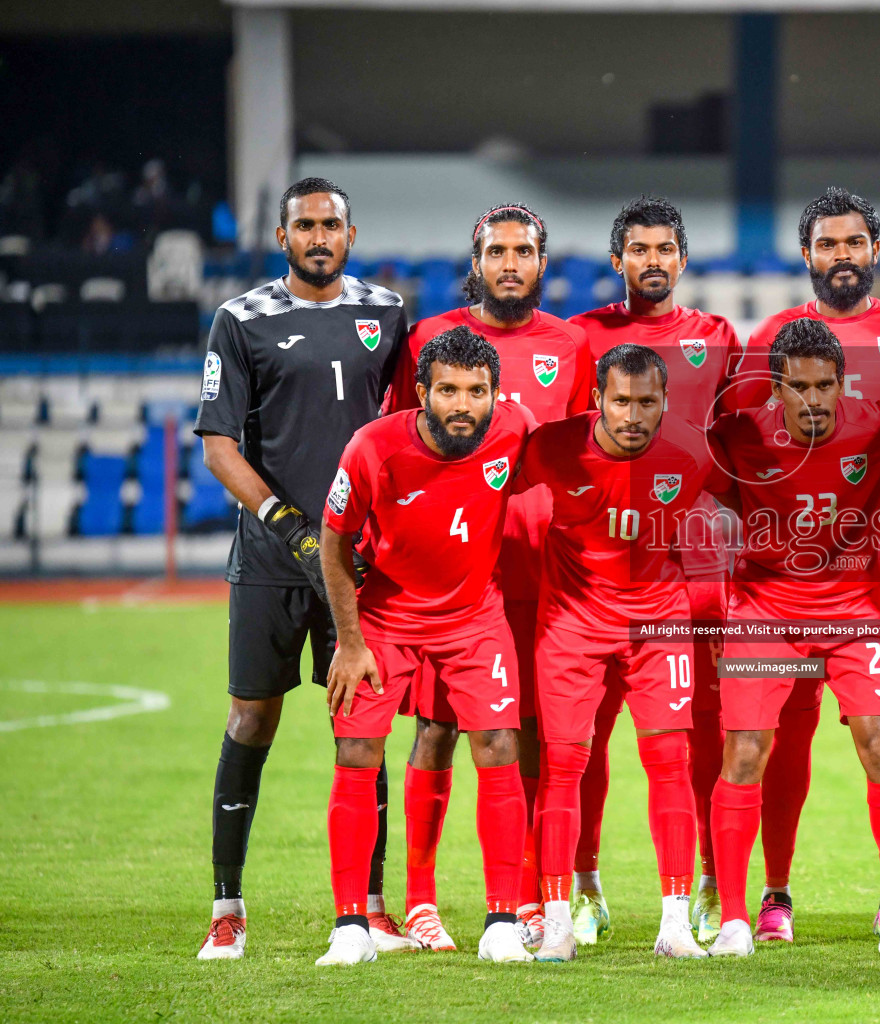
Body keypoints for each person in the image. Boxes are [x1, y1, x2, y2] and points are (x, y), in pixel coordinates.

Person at [193, 177, 408, 960]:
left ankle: (374, 907)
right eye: (304, 225)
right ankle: (227, 907)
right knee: (252, 716)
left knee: (364, 728)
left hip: (359, 562)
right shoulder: (240, 319)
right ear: (282, 238)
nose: (319, 236)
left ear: (352, 234)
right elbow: (219, 445)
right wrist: (287, 523)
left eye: (331, 225)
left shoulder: (388, 313)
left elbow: (407, 427)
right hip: (272, 561)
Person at [723, 187, 880, 940]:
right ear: (808, 254)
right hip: (778, 579)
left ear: (874, 251)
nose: (842, 256)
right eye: (828, 244)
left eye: (854, 243)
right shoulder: (777, 335)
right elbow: (744, 440)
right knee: (778, 737)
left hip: (877, 574)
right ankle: (774, 895)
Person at [382, 204, 594, 951]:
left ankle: (530, 895)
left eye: (524, 251)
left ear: (544, 262)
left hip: (540, 570)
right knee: (436, 728)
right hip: (449, 575)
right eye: (497, 251)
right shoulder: (427, 341)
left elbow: (576, 460)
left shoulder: (571, 345)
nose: (510, 263)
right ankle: (420, 899)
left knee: (527, 732)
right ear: (475, 261)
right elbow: (397, 448)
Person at [315, 327, 533, 966]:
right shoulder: (372, 449)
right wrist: (350, 642)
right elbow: (333, 542)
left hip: (474, 619)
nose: (463, 404)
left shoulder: (514, 429)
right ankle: (351, 926)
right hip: (386, 619)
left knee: (498, 745)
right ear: (420, 393)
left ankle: (500, 923)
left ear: (495, 394)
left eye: (476, 391)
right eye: (447, 391)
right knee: (356, 750)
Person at [706, 319, 880, 957]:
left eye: (827, 386)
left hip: (854, 608)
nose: (816, 401)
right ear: (776, 387)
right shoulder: (738, 434)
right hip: (764, 608)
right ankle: (737, 921)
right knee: (745, 752)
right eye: (800, 388)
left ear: (841, 383)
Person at [519, 342, 730, 962]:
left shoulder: (692, 449)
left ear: (665, 402)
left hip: (658, 624)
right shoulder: (551, 447)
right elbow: (479, 491)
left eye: (646, 402)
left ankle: (674, 925)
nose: (633, 415)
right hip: (572, 625)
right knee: (563, 767)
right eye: (620, 401)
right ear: (596, 401)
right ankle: (557, 921)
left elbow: (750, 498)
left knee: (670, 762)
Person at [566, 196, 739, 945]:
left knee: (698, 731)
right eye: (638, 249)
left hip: (697, 566)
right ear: (617, 262)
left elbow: (739, 447)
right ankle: (584, 884)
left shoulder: (716, 337)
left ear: (683, 258)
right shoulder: (581, 338)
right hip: (599, 567)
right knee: (587, 738)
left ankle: (704, 881)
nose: (653, 261)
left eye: (665, 248)